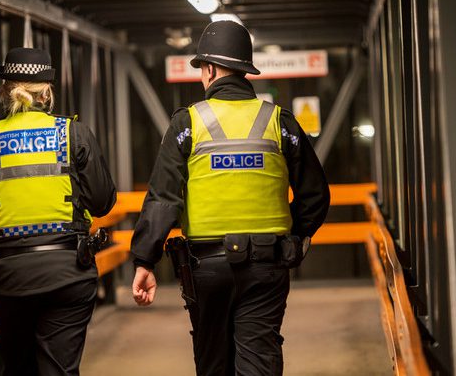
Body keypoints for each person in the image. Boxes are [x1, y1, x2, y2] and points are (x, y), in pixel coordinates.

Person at [130, 21, 330, 376]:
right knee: (259, 359)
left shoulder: (186, 124)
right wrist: (294, 236)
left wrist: (145, 260)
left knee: (213, 362)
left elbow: (163, 198)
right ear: (244, 70)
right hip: (267, 264)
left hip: (206, 268)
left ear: (209, 70)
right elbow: (315, 194)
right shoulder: (279, 122)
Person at [0, 47, 116, 376]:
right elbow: (102, 201)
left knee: (18, 367)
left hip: (8, 275)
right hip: (68, 271)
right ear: (47, 91)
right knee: (59, 369)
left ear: (5, 89)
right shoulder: (73, 134)